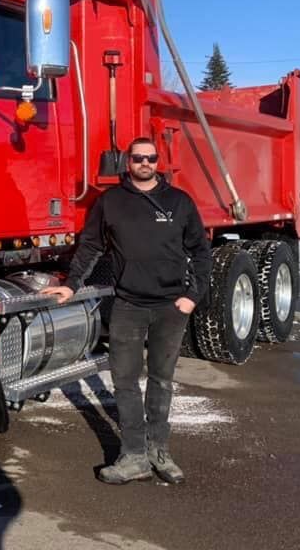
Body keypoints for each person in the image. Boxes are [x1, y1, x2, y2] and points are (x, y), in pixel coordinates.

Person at [42, 137, 212, 485]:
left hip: (170, 306)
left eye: (150, 158)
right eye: (138, 158)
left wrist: (192, 296)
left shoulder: (179, 202)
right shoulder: (111, 202)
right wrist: (72, 284)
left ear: (157, 161)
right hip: (128, 305)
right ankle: (134, 456)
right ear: (128, 162)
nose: (145, 163)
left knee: (162, 380)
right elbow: (90, 246)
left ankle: (158, 451)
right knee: (125, 382)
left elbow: (201, 251)